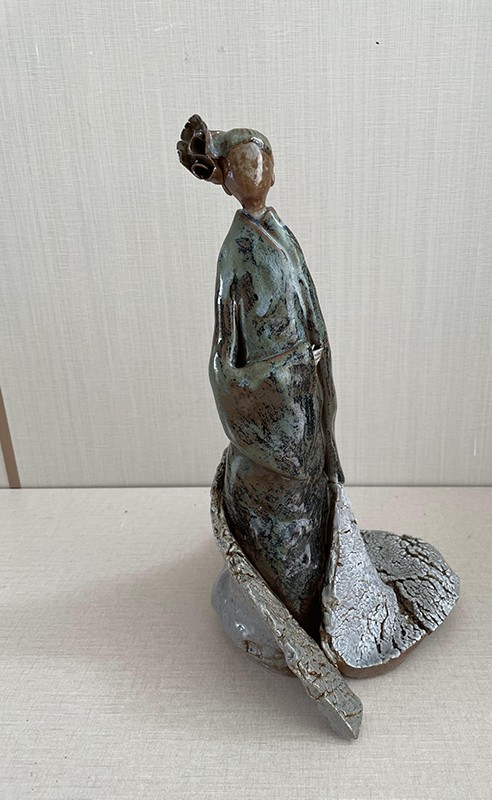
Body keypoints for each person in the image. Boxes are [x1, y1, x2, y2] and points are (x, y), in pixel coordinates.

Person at [178, 117, 344, 637]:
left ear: (272, 173)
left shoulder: (282, 236)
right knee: (280, 504)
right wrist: (284, 372)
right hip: (274, 409)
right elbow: (223, 361)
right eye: (242, 164)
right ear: (226, 179)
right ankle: (277, 611)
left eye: (261, 162)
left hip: (305, 404)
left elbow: (309, 311)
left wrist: (313, 368)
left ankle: (319, 597)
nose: (253, 172)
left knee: (310, 496)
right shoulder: (235, 252)